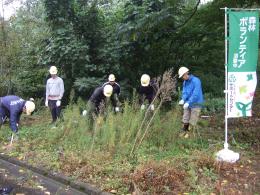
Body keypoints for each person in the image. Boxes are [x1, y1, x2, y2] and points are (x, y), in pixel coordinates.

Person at [178, 66, 204, 138]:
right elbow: (185, 92)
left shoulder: (196, 81)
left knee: (193, 119)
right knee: (185, 117)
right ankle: (184, 131)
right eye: (182, 76)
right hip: (187, 103)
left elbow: (195, 94)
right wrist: (183, 99)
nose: (183, 78)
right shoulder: (185, 82)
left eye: (183, 76)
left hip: (196, 103)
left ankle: (190, 135)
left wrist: (188, 102)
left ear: (186, 73)